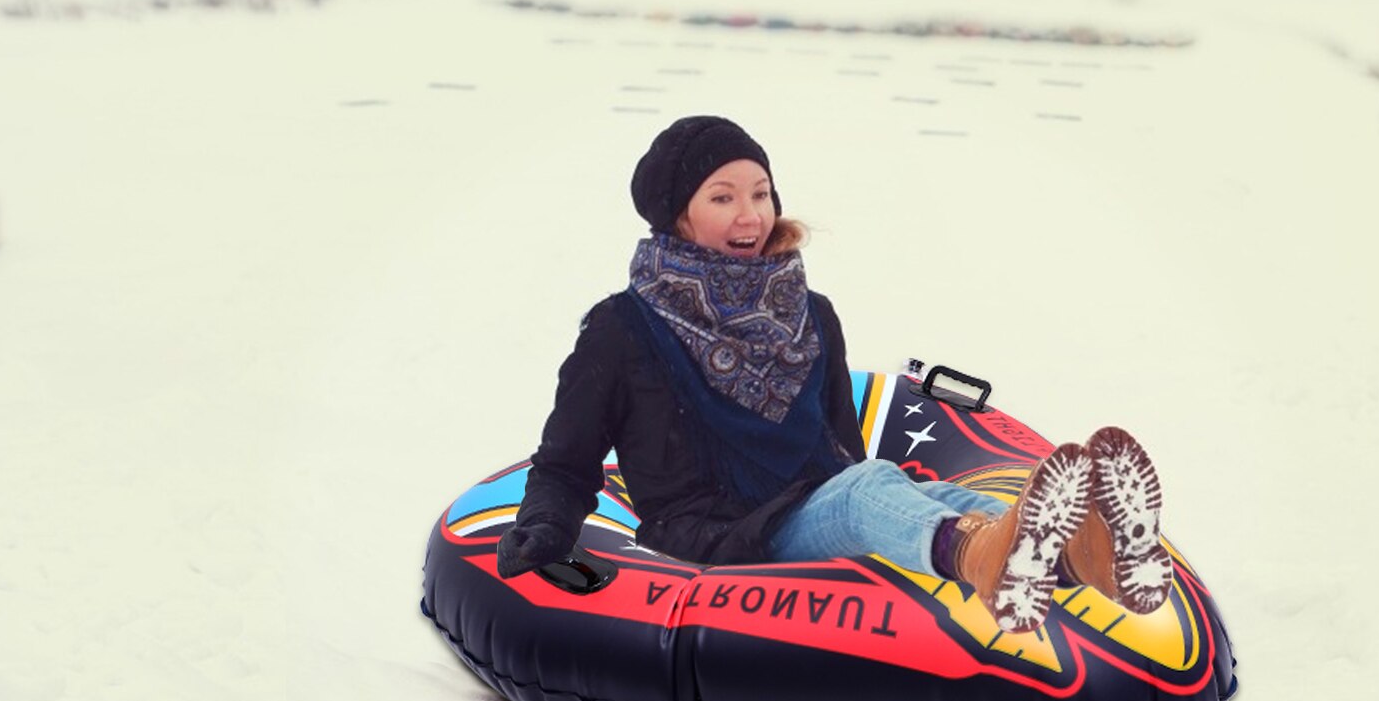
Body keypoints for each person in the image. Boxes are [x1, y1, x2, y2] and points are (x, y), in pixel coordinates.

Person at [496, 115, 1173, 633]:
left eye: (760, 193)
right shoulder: (622, 329)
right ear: (679, 214)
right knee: (865, 490)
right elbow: (566, 462)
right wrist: (541, 536)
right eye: (723, 197)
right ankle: (983, 561)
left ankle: (1079, 552)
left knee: (945, 500)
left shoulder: (810, 311)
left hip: (808, 506)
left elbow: (840, 447)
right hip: (716, 532)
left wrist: (884, 497)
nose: (751, 215)